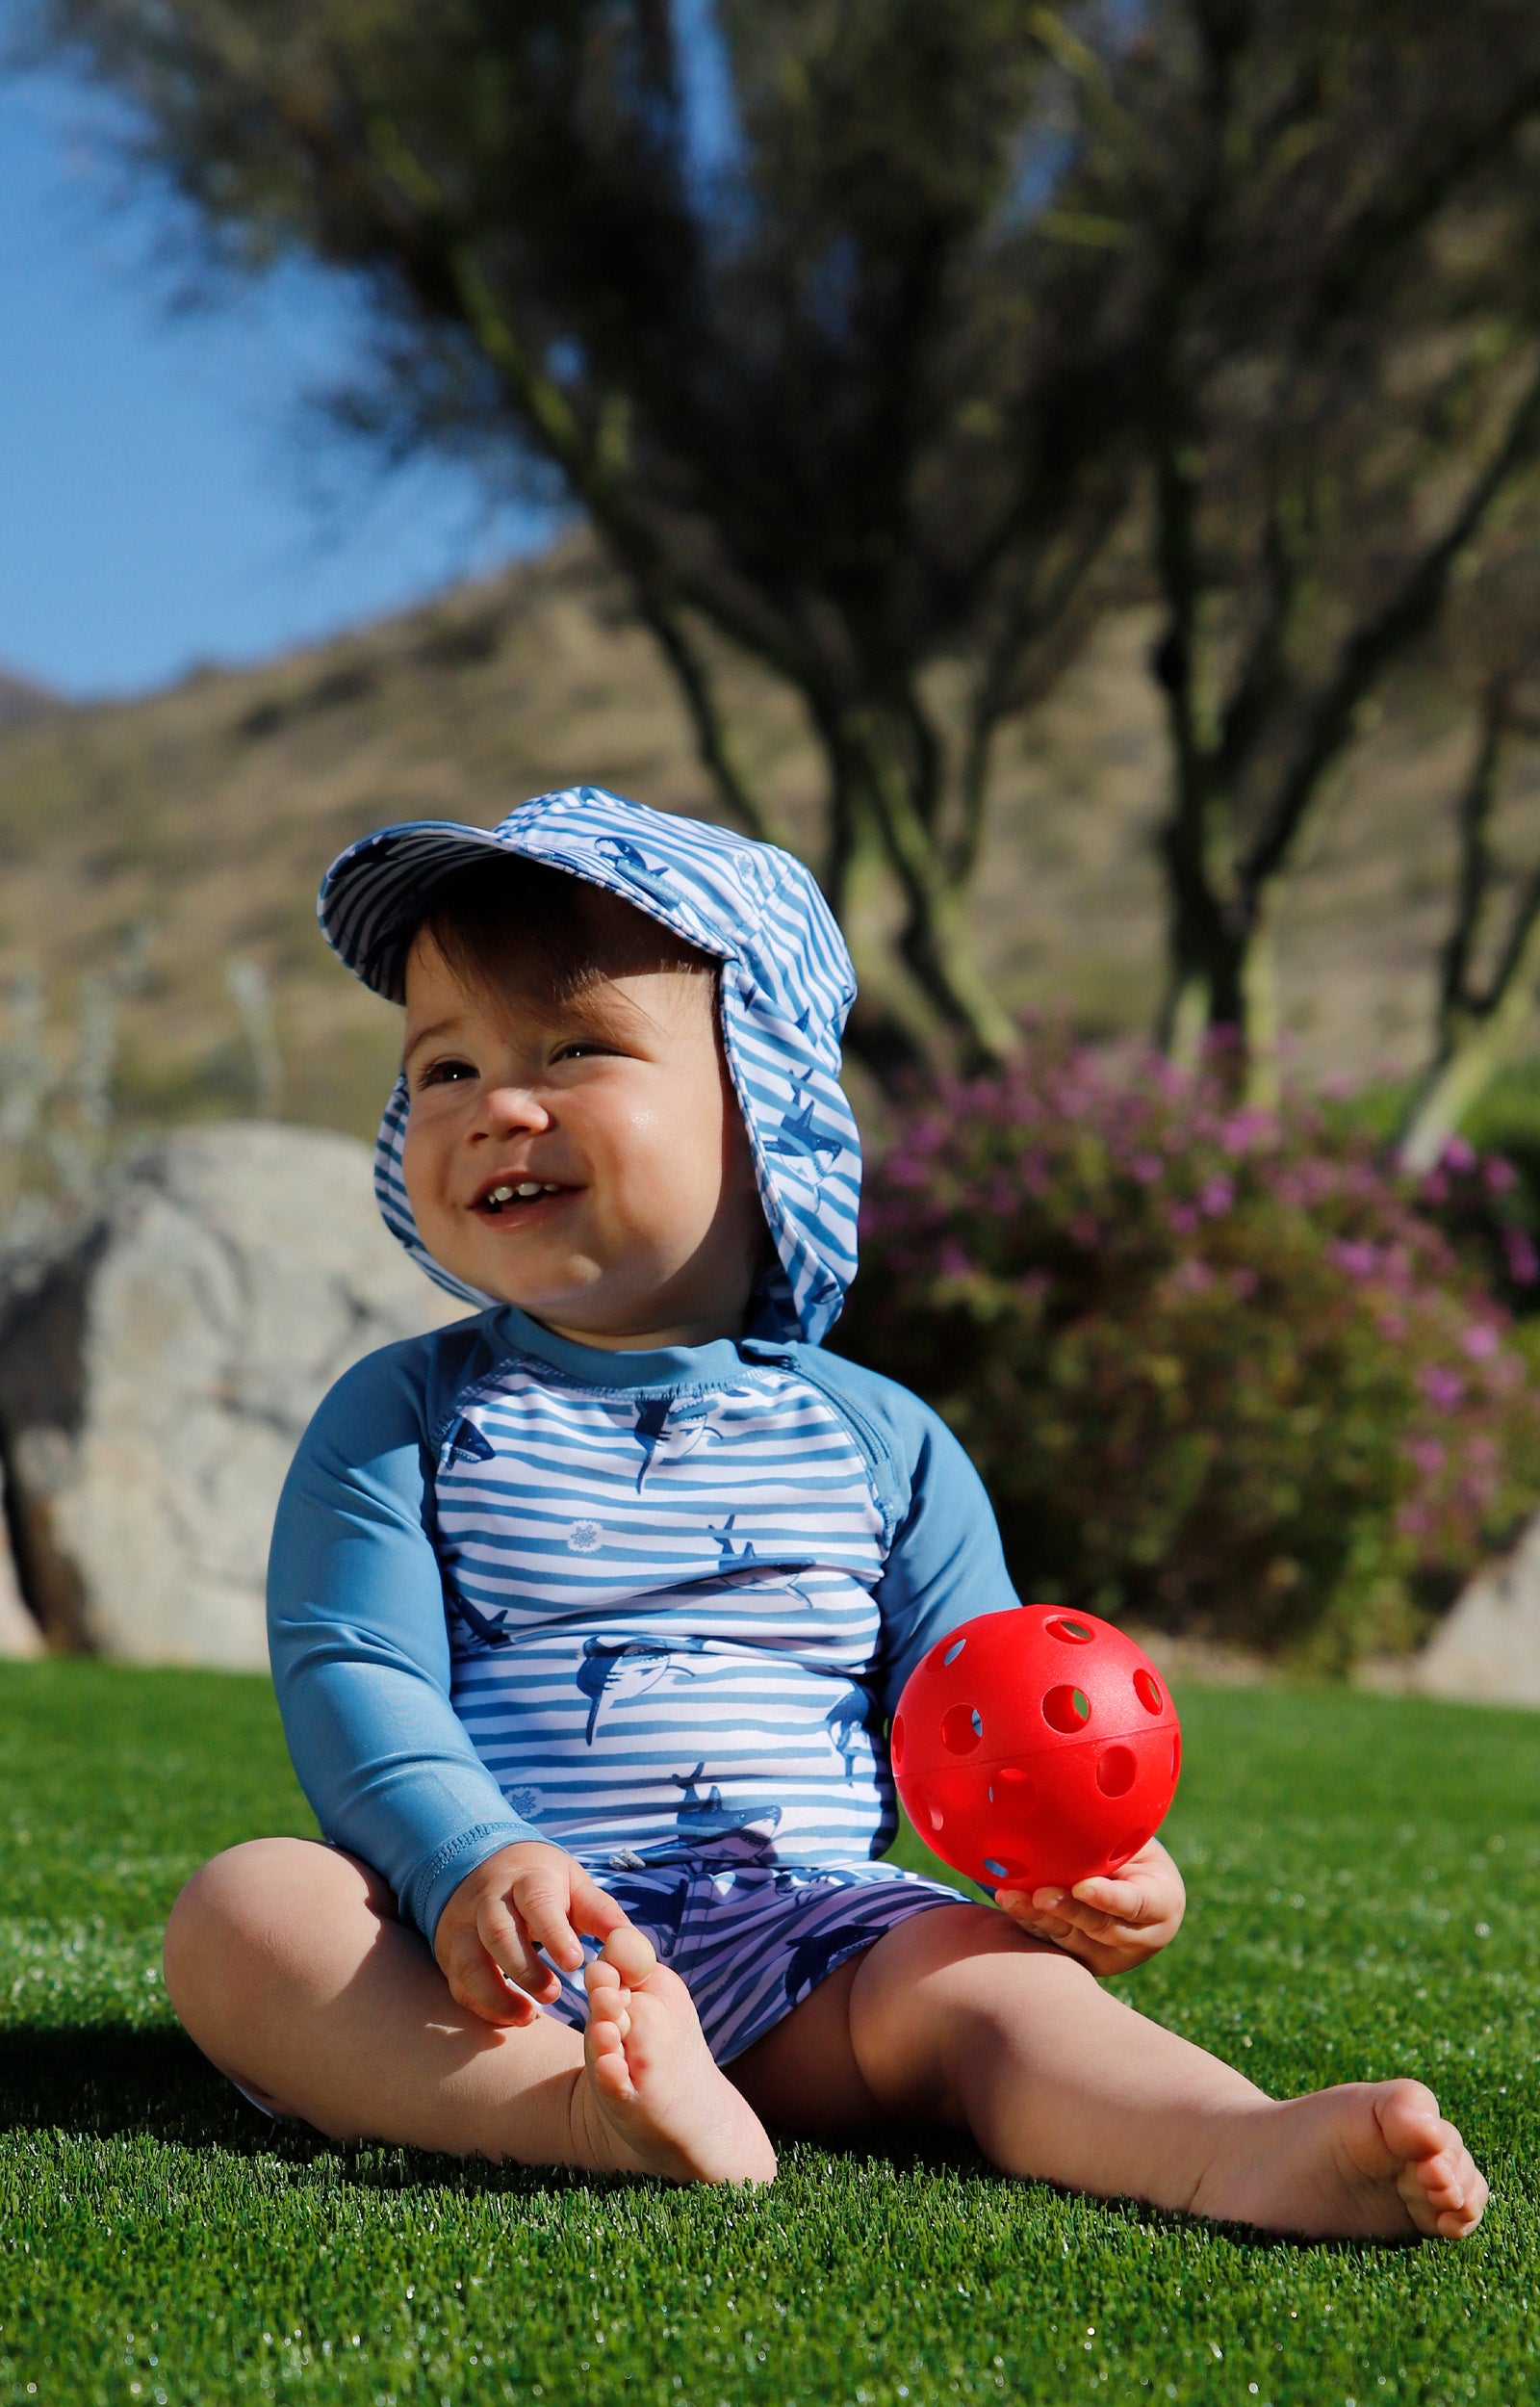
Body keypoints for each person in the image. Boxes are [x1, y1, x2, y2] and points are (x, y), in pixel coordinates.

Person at [164, 788, 1485, 2237]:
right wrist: (465, 1857)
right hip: (499, 1957)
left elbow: (990, 1711)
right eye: (447, 1066)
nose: (498, 1106)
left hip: (820, 1951)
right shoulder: (403, 1413)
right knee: (251, 1911)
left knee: (994, 1988)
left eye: (574, 1050)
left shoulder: (881, 1442)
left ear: (763, 1103)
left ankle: (1228, 2145)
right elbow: (357, 1669)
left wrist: (1071, 1868)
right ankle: (572, 2112)